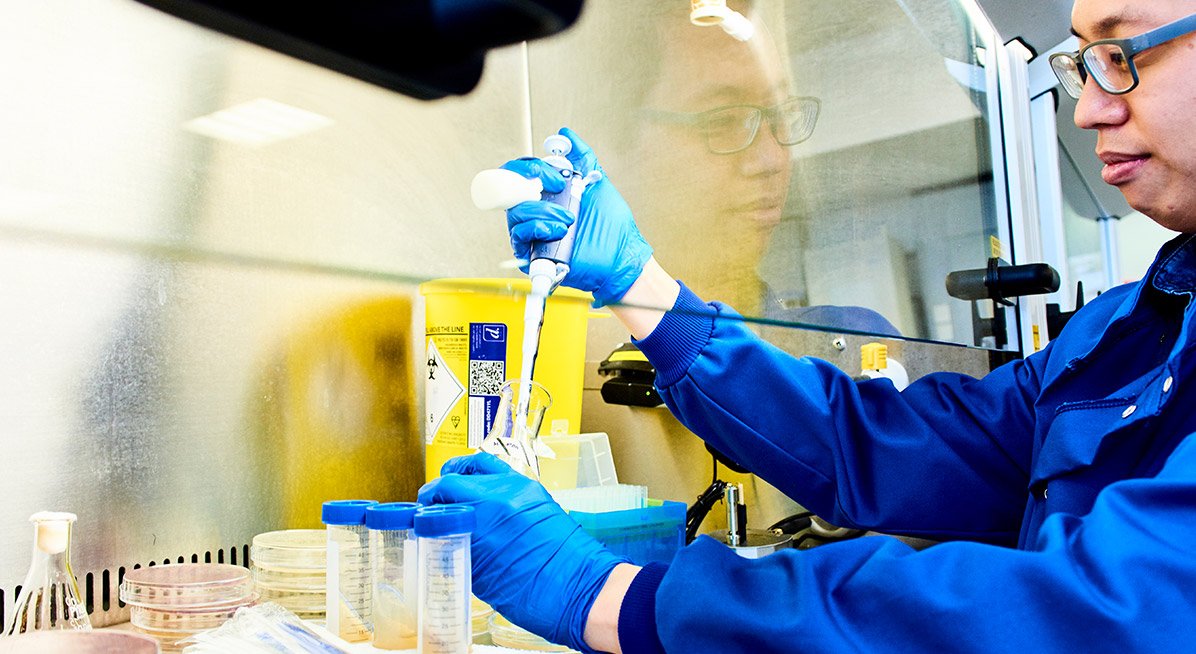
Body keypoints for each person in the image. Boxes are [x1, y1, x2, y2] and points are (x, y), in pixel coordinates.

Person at [420, 0, 1196, 651]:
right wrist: (642, 288)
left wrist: (616, 598)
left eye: (1123, 53)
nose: (1090, 105)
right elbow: (894, 450)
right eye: (1081, 64)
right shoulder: (1134, 329)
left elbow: (1106, 609)